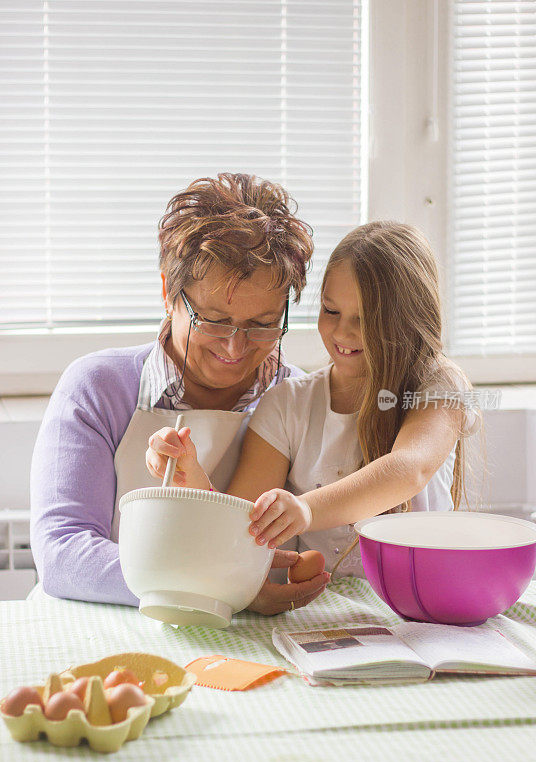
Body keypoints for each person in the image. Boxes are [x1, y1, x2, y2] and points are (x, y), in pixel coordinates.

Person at [31, 172, 331, 614]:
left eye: (262, 324)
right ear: (169, 292)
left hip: (240, 644)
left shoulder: (299, 399)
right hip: (99, 627)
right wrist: (224, 584)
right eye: (213, 319)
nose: (235, 346)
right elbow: (62, 553)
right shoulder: (97, 387)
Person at [146, 221, 481, 577]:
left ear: (411, 320)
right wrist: (192, 476)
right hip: (324, 612)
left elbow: (410, 468)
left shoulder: (439, 386)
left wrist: (305, 510)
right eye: (331, 311)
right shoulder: (287, 404)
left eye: (366, 320)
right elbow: (241, 526)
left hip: (422, 603)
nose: (342, 332)